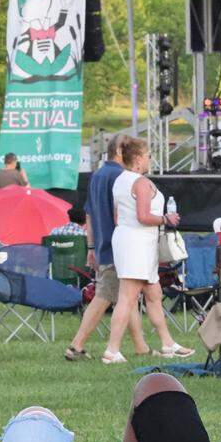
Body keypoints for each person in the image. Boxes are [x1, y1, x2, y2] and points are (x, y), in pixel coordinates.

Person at [102, 137, 194, 365]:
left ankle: (167, 343)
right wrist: (166, 218)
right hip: (138, 243)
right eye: (148, 155)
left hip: (129, 239)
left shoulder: (120, 181)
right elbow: (143, 216)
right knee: (127, 298)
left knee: (154, 295)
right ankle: (112, 350)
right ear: (139, 158)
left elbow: (118, 216)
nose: (150, 159)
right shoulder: (141, 183)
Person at [64, 135, 150, 361]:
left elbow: (89, 214)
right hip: (119, 247)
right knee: (104, 295)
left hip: (103, 244)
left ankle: (141, 346)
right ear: (121, 152)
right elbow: (125, 213)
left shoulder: (98, 175)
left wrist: (91, 246)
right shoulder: (122, 176)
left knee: (126, 296)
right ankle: (76, 345)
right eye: (129, 149)